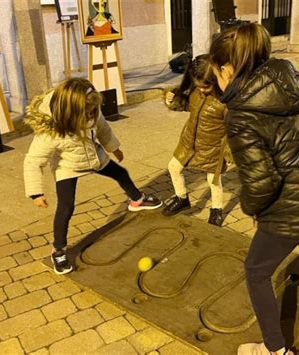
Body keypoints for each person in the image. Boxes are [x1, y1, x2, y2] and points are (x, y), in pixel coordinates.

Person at [209, 23, 299, 355]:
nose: (216, 79)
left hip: (297, 205)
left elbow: (262, 184)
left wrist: (253, 209)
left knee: (256, 270)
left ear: (227, 70)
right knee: (297, 222)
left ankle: (274, 349)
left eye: (216, 73)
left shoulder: (240, 114)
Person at [24, 78, 162, 275]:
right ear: (69, 112)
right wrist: (35, 193)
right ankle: (59, 249)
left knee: (121, 173)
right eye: (86, 113)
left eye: (92, 111)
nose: (91, 116)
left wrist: (114, 148)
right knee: (66, 206)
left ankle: (137, 200)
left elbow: (104, 129)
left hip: (94, 157)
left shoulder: (92, 111)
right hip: (67, 166)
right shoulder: (51, 131)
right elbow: (33, 161)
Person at [162, 54, 232, 227]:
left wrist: (229, 153)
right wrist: (173, 100)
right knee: (173, 167)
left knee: (213, 181)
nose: (201, 89)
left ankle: (216, 209)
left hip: (213, 148)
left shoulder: (226, 102)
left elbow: (234, 129)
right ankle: (181, 197)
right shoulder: (195, 91)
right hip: (189, 142)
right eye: (198, 86)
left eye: (206, 86)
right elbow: (188, 106)